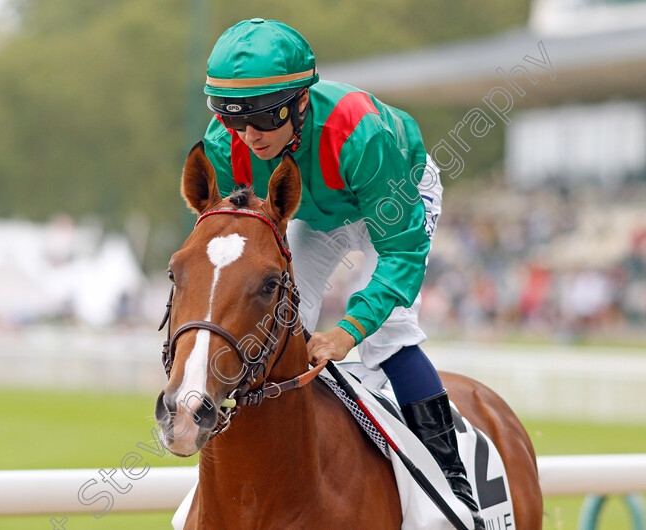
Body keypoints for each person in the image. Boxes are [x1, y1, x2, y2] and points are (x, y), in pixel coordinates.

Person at [201, 18, 484, 528]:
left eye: (262, 119)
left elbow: (402, 254)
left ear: (298, 103)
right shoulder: (227, 147)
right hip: (317, 211)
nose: (247, 136)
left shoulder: (360, 134)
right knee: (281, 322)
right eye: (232, 119)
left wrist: (349, 331)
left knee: (389, 335)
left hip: (395, 199)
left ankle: (452, 482)